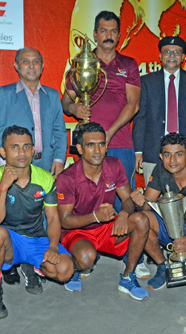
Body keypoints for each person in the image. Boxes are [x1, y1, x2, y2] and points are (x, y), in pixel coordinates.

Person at [56, 122, 165, 300]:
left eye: (101, 144)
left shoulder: (114, 165)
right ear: (80, 149)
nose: (97, 150)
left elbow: (127, 199)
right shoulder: (67, 178)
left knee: (140, 220)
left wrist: (123, 214)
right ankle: (76, 265)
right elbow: (65, 221)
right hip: (77, 231)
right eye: (91, 145)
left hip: (106, 227)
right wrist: (95, 217)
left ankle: (128, 277)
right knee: (86, 258)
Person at [0, 126, 74, 319]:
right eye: (14, 147)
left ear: (33, 150)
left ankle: (31, 266)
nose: (21, 152)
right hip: (10, 242)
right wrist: (4, 186)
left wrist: (53, 247)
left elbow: (53, 218)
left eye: (26, 147)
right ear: (3, 152)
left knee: (65, 270)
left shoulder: (45, 178)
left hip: (37, 238)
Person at [0, 47, 67, 284]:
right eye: (26, 61)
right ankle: (11, 261)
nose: (31, 66)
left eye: (36, 61)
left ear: (42, 66)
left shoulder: (52, 95)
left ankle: (35, 264)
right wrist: (3, 166)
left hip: (45, 162)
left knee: (42, 214)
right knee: (13, 210)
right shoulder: (6, 93)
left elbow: (59, 130)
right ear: (16, 66)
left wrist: (59, 159)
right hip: (16, 164)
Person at [62, 10, 140, 190]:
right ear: (95, 34)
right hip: (89, 144)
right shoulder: (82, 63)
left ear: (119, 35)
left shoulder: (128, 64)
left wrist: (109, 133)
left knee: (125, 201)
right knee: (90, 199)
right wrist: (74, 109)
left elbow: (134, 104)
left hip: (120, 143)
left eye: (113, 31)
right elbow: (65, 102)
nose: (108, 36)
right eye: (103, 31)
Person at [130, 133, 186, 289]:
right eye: (167, 155)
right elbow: (147, 206)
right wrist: (139, 203)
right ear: (161, 157)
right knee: (139, 219)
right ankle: (162, 265)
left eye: (178, 154)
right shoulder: (161, 170)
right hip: (170, 226)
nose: (172, 161)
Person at [133, 35, 186, 185]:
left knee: (183, 194)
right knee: (153, 194)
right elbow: (140, 118)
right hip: (153, 151)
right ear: (160, 56)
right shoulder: (147, 81)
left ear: (183, 57)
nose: (172, 56)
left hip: (184, 152)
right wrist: (138, 151)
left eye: (177, 52)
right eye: (167, 52)